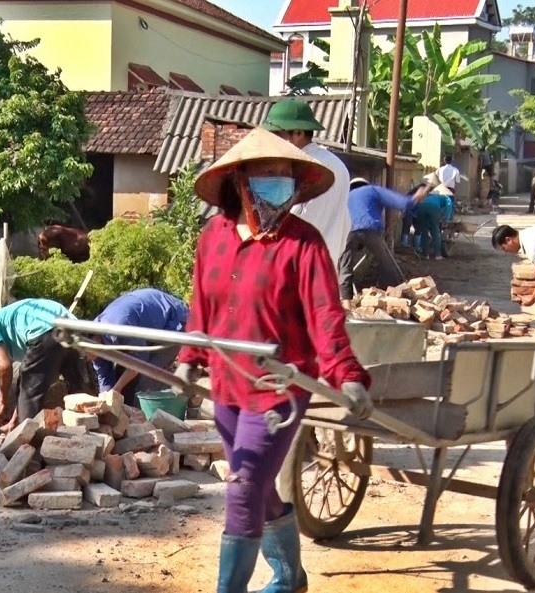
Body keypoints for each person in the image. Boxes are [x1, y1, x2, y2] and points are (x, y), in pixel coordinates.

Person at [172, 127, 374, 593]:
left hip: (279, 388)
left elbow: (325, 314)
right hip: (227, 383)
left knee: (242, 489)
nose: (278, 183)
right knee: (258, 490)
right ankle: (290, 577)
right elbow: (202, 307)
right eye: (266, 174)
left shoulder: (303, 243)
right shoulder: (214, 238)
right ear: (240, 180)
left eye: (285, 175)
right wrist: (190, 356)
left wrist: (346, 375)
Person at [0, 299, 87, 432]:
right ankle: (91, 433)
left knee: (28, 410)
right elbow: (26, 382)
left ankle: (25, 445)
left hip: (46, 331)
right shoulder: (12, 318)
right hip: (70, 327)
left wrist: (1, 401)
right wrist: (13, 422)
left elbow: (4, 365)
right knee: (79, 395)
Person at [261, 98, 351, 262]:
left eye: (277, 134)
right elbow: (346, 224)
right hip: (327, 272)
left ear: (298, 134)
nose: (272, 141)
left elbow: (290, 225)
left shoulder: (304, 167)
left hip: (297, 272)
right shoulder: (338, 166)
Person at [339, 177, 430, 308]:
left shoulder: (346, 197)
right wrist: (415, 197)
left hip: (348, 230)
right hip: (370, 228)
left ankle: (346, 304)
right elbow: (401, 203)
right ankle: (398, 297)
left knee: (345, 266)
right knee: (386, 262)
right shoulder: (372, 190)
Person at [90, 288, 189, 406]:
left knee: (145, 378)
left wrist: (116, 390)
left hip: (172, 319)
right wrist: (104, 401)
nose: (85, 358)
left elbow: (140, 361)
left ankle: (151, 418)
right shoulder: (93, 345)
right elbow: (105, 379)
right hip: (144, 328)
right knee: (122, 380)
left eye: (83, 354)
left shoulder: (118, 328)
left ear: (95, 340)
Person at [414, 175, 455, 260]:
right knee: (436, 231)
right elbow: (448, 209)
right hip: (433, 209)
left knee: (424, 231)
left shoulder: (431, 196)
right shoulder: (447, 198)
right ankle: (437, 255)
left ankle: (425, 254)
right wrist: (445, 220)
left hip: (421, 208)